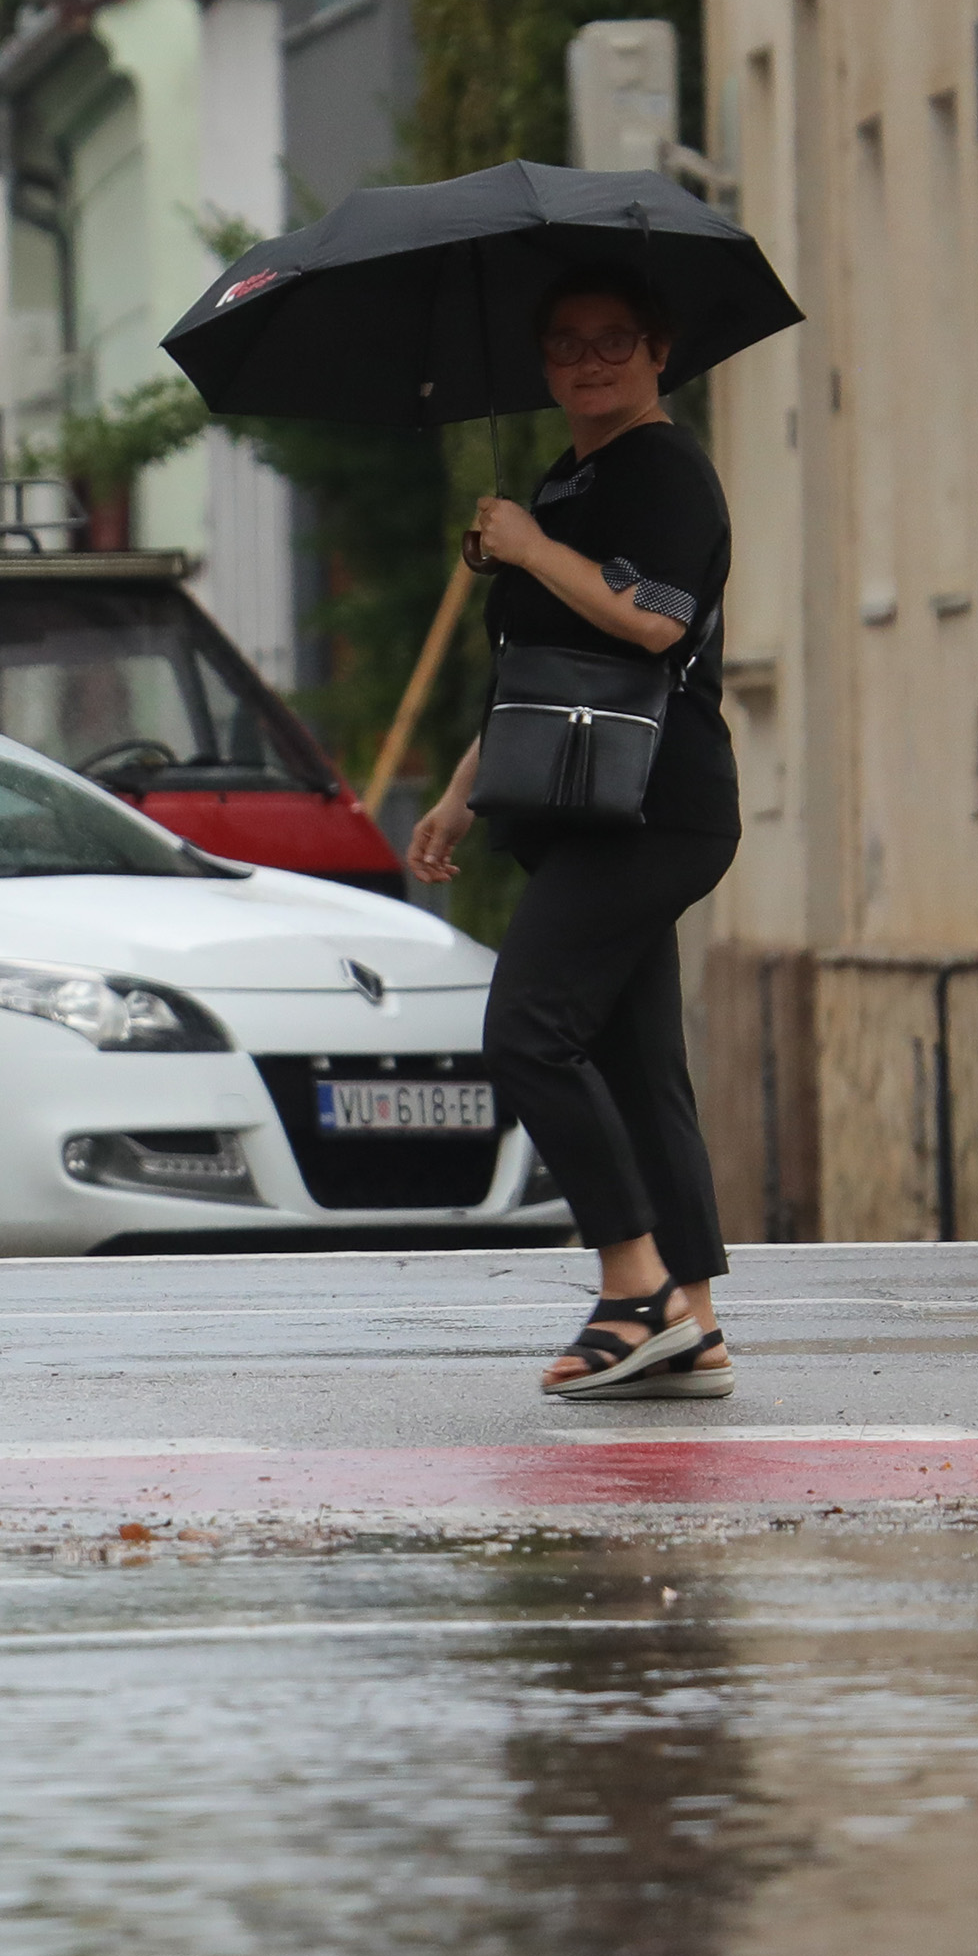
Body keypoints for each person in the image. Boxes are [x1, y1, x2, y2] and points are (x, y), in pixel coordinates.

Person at [408, 263, 740, 1400]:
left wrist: (528, 547)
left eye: (612, 339)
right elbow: (540, 676)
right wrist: (462, 789)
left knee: (527, 1032)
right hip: (580, 802)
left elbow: (649, 623)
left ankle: (630, 1285)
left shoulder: (665, 471)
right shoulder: (561, 481)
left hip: (654, 806)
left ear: (656, 351)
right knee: (637, 1062)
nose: (587, 360)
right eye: (563, 342)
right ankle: (689, 1320)